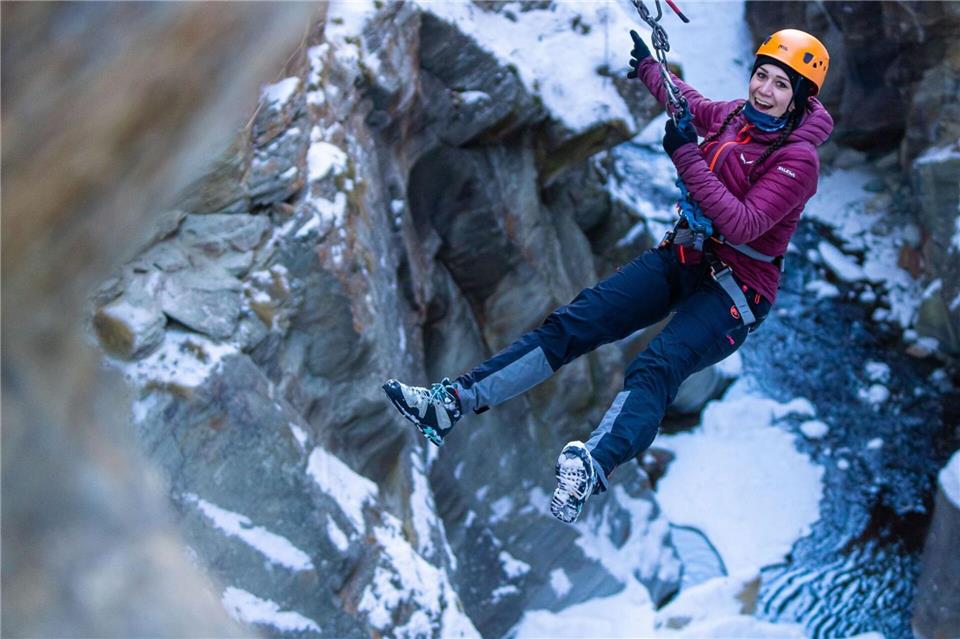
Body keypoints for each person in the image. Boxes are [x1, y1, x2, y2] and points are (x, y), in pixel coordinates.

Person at [383, 29, 833, 523]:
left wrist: (685, 156)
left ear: (799, 100)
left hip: (736, 290)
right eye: (761, 75)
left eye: (780, 86)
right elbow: (692, 106)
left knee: (656, 366)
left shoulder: (798, 161)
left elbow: (742, 222)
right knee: (574, 322)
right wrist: (649, 70)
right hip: (687, 256)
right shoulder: (735, 116)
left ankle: (591, 466)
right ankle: (453, 402)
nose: (763, 91)